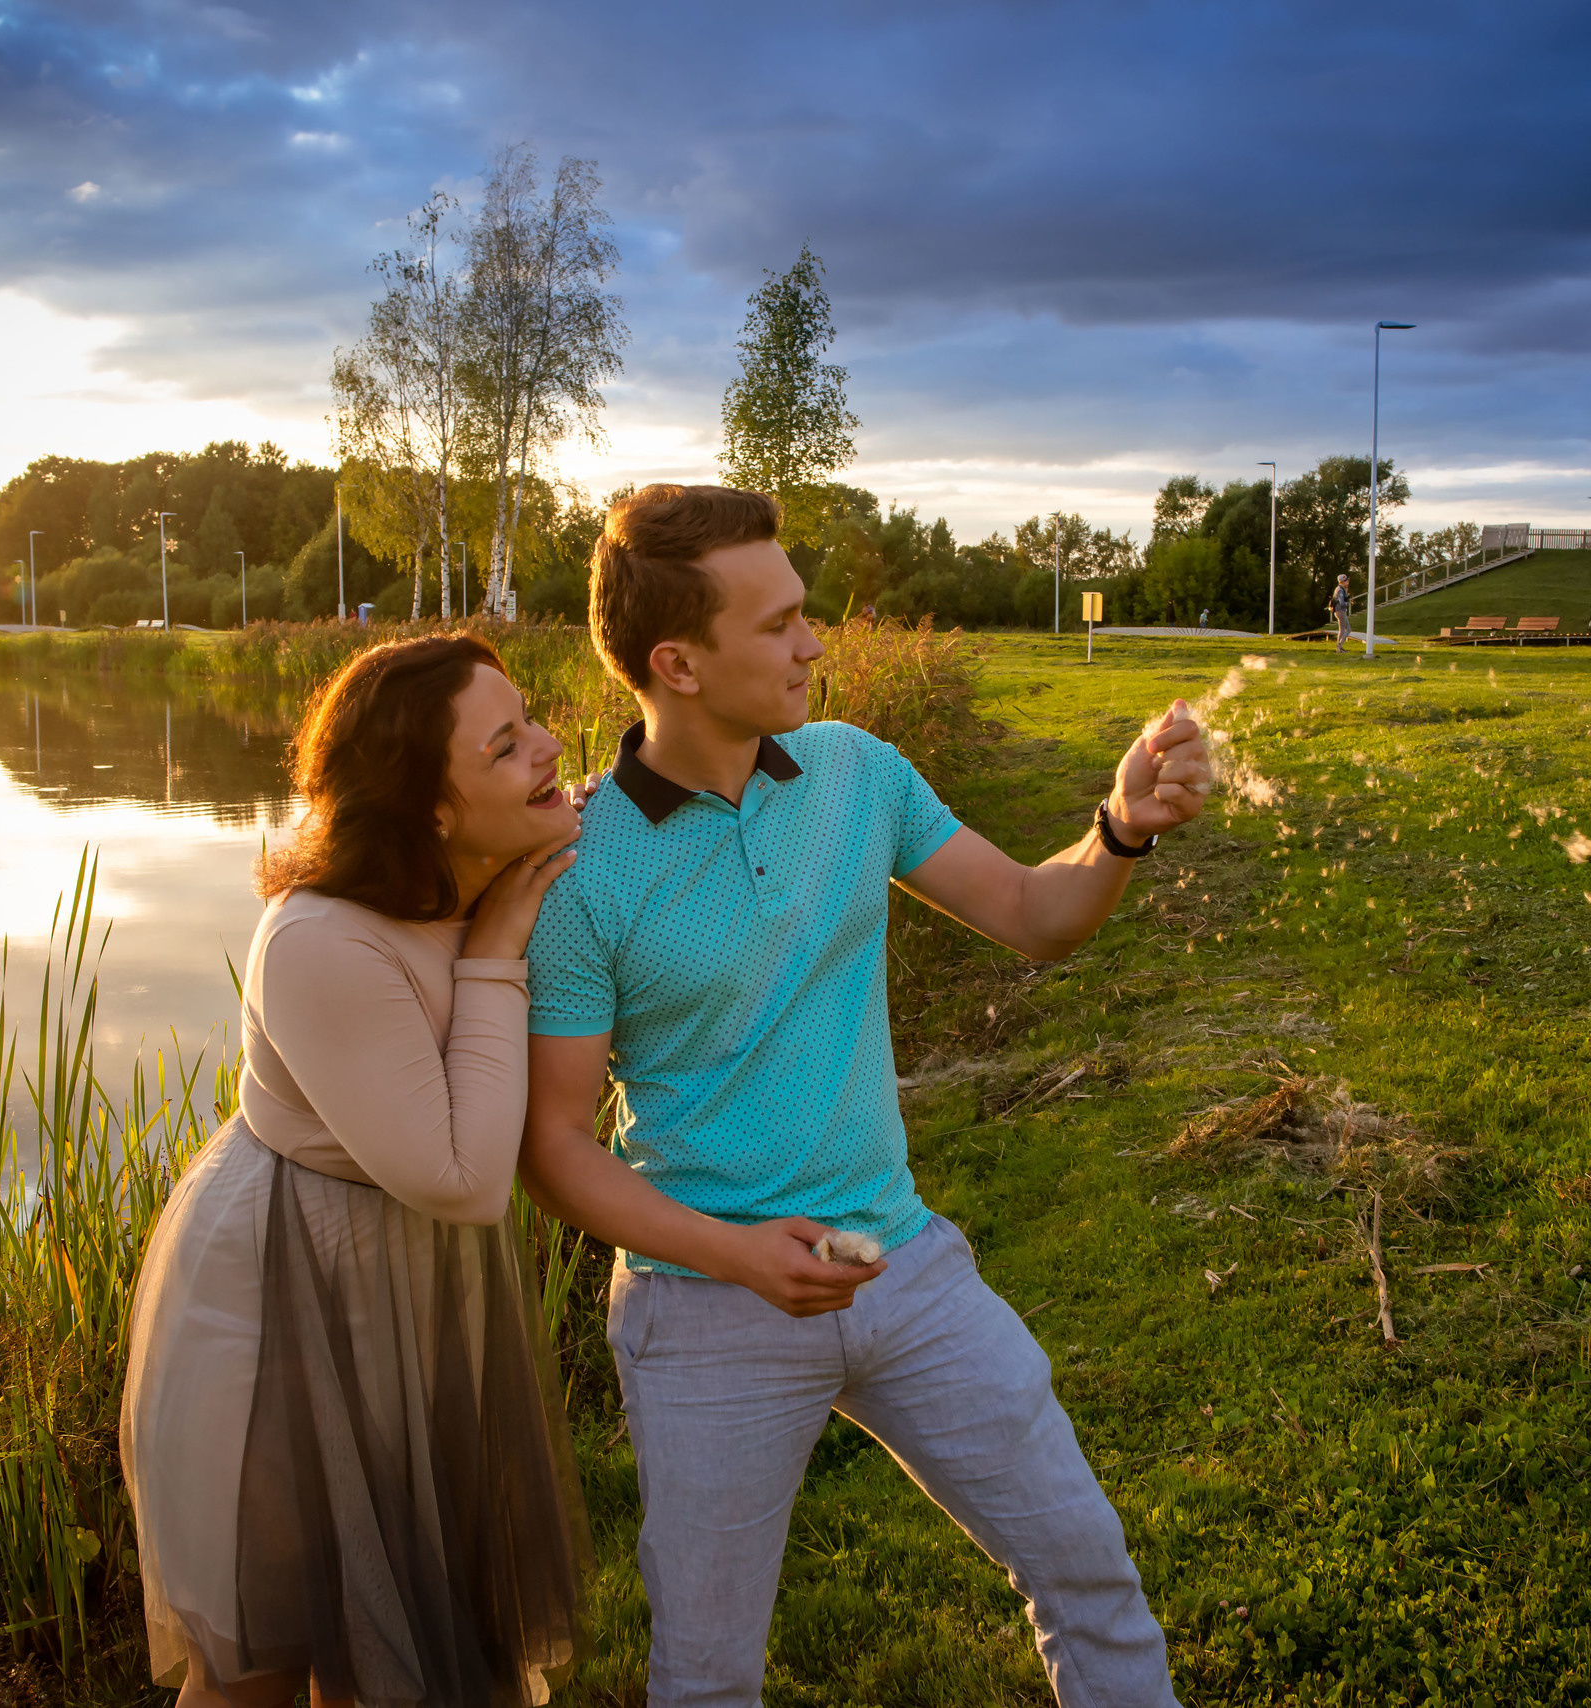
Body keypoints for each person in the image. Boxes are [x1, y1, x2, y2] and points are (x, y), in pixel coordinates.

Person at [517, 485, 1210, 1708]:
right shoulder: (579, 869)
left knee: (1089, 1573)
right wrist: (736, 1256)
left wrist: (1118, 830)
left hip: (900, 1262)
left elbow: (1030, 916)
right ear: (676, 662)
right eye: (778, 623)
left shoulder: (856, 772)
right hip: (701, 1311)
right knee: (707, 1675)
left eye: (805, 615)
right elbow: (556, 1145)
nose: (813, 642)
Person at [123, 635, 590, 1708]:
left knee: (395, 1639)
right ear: (429, 806)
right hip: (279, 1299)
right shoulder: (322, 940)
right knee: (266, 1652)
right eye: (507, 743)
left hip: (408, 1290)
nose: (549, 748)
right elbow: (464, 1177)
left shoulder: (490, 867)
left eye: (533, 721)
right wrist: (495, 948)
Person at [1330, 572, 1353, 651]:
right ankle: (1339, 646)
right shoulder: (1340, 590)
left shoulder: (1341, 589)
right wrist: (1348, 603)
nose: (1348, 582)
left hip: (1339, 611)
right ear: (1342, 582)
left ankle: (1339, 647)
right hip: (1340, 611)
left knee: (1344, 630)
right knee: (1345, 630)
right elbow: (1342, 603)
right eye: (1346, 581)